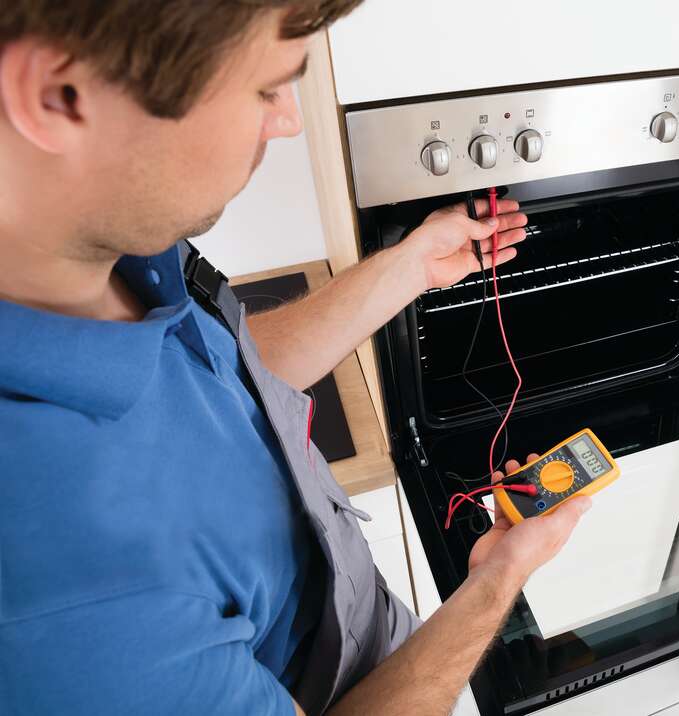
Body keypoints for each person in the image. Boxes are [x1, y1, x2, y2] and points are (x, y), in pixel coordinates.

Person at [0, 2, 591, 714]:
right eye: (265, 87)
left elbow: (223, 379)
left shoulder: (110, 243)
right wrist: (497, 581)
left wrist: (408, 268)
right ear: (56, 97)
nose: (290, 119)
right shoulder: (66, 607)